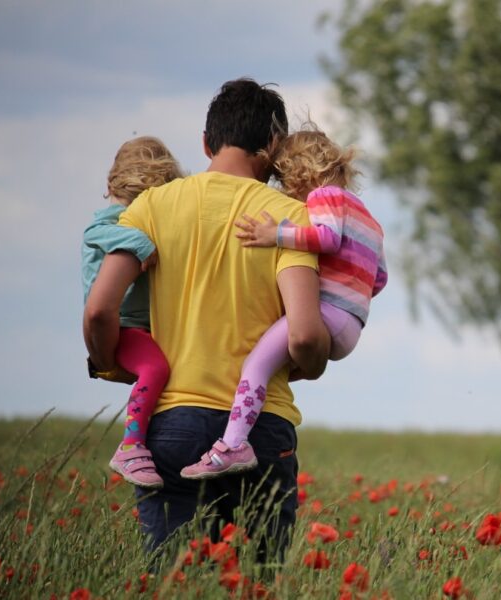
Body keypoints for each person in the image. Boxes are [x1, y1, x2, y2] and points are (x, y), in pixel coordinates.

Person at [83, 78, 331, 555]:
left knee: (176, 582)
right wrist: (313, 363)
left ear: (205, 143)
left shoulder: (150, 207)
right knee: (258, 583)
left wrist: (110, 361)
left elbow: (98, 309)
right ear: (274, 146)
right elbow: (303, 335)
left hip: (171, 422)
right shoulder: (289, 218)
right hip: (261, 428)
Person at [181, 125, 387, 479]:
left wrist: (274, 235)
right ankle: (243, 428)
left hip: (327, 314)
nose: (284, 190)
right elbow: (379, 278)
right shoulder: (369, 219)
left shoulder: (324, 197)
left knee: (255, 366)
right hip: (352, 324)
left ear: (300, 171)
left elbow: (326, 238)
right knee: (272, 367)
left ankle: (232, 445)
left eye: (284, 179)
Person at [82, 136, 182, 488]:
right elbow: (99, 233)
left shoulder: (130, 217)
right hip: (123, 326)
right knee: (156, 367)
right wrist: (142, 243)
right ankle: (131, 444)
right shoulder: (111, 222)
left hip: (141, 326)